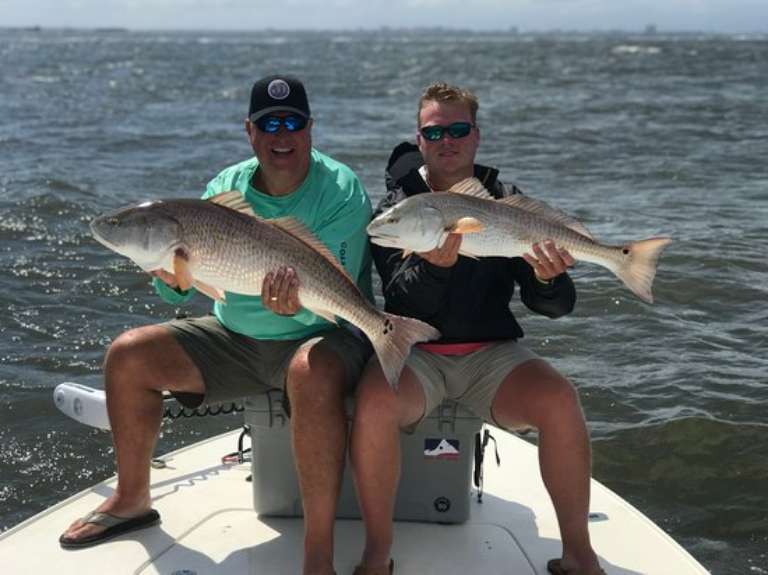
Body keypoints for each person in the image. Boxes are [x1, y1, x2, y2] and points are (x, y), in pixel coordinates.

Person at [60, 74, 373, 575]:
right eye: (269, 124)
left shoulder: (341, 189)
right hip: (237, 340)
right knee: (128, 355)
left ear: (311, 128)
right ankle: (132, 499)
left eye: (292, 122)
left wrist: (302, 309)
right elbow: (179, 289)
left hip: (324, 337)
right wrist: (175, 278)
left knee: (308, 372)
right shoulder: (223, 188)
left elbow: (341, 283)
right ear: (250, 132)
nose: (282, 135)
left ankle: (318, 553)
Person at [350, 82, 605, 575]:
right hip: (420, 354)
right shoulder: (397, 211)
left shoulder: (507, 202)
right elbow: (400, 299)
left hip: (493, 355)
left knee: (560, 399)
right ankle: (377, 554)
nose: (448, 140)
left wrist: (547, 278)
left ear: (477, 135)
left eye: (459, 129)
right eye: (435, 131)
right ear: (419, 139)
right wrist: (437, 267)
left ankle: (579, 554)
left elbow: (555, 308)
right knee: (375, 402)